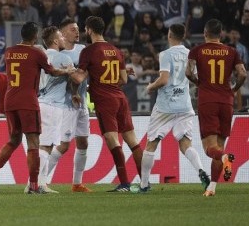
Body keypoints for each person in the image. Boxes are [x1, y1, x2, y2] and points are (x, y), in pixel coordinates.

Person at [0, 21, 74, 194]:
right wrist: (67, 71)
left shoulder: (9, 52)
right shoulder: (36, 53)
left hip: (10, 101)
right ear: (34, 36)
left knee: (13, 140)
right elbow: (52, 71)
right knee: (34, 143)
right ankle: (34, 185)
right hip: (27, 101)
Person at [71, 16, 143, 192]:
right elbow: (124, 79)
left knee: (112, 140)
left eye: (85, 29)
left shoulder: (88, 51)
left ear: (89, 30)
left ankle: (125, 183)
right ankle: (145, 182)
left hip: (105, 101)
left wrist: (67, 72)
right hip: (120, 98)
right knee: (133, 141)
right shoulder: (116, 50)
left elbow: (80, 77)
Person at [137, 24, 210, 193]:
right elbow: (195, 77)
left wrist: (150, 87)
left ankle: (144, 184)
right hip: (184, 106)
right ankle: (201, 170)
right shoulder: (190, 54)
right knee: (186, 144)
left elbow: (163, 79)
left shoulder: (165, 54)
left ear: (170, 35)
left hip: (165, 107)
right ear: (183, 36)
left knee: (151, 144)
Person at [185, 19, 247, 197]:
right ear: (221, 34)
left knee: (210, 149)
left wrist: (199, 83)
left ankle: (226, 157)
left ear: (205, 33)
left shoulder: (197, 51)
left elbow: (188, 72)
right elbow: (242, 73)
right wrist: (234, 89)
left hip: (208, 101)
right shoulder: (232, 51)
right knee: (219, 146)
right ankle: (211, 187)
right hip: (227, 102)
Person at [46, 19, 92, 193]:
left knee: (83, 143)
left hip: (81, 103)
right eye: (73, 29)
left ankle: (77, 183)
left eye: (78, 29)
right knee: (63, 145)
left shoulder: (83, 51)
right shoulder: (60, 54)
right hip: (65, 105)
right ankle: (40, 180)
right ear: (63, 33)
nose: (77, 32)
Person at [26, 26, 73, 194]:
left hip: (39, 102)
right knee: (45, 147)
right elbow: (75, 80)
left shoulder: (40, 56)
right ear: (55, 40)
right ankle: (36, 184)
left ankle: (37, 183)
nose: (63, 39)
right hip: (53, 106)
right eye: (61, 36)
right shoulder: (63, 58)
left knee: (44, 145)